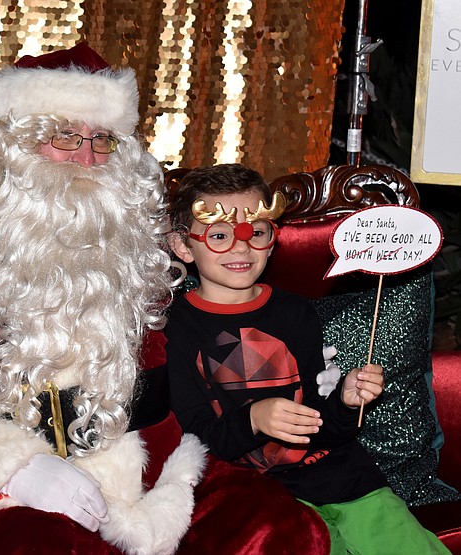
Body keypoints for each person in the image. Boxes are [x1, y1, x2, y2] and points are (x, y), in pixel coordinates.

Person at [0, 43, 207, 554]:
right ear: (12, 148)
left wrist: (169, 482)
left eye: (103, 139)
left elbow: (162, 403)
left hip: (134, 479)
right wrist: (14, 471)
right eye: (64, 136)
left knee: (274, 523)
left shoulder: (138, 258)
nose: (87, 159)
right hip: (6, 492)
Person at [165, 163, 450, 554]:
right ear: (183, 246)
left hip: (348, 481)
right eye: (219, 235)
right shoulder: (171, 329)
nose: (241, 247)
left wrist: (346, 401)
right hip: (264, 503)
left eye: (256, 232)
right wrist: (253, 418)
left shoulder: (294, 313)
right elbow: (192, 440)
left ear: (271, 237)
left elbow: (323, 426)